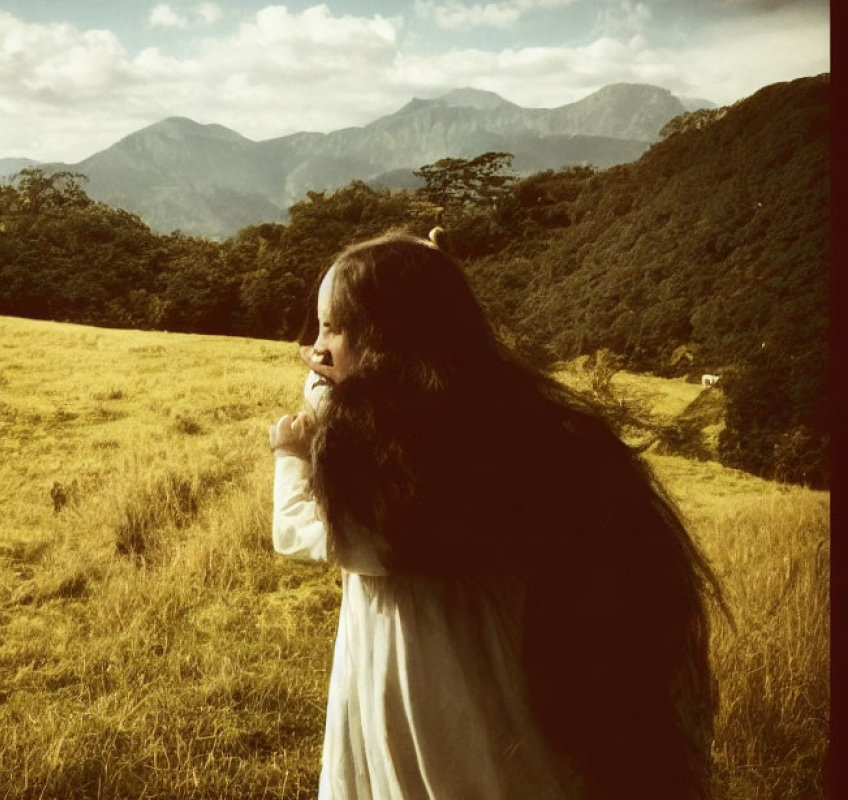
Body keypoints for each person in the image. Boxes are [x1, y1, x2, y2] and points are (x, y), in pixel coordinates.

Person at [268, 230, 726, 800]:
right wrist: (426, 274)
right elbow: (348, 381)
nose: (316, 350)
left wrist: (290, 457)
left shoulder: (386, 483)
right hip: (508, 698)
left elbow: (295, 531)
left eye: (333, 327)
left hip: (436, 711)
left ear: (392, 338)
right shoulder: (498, 429)